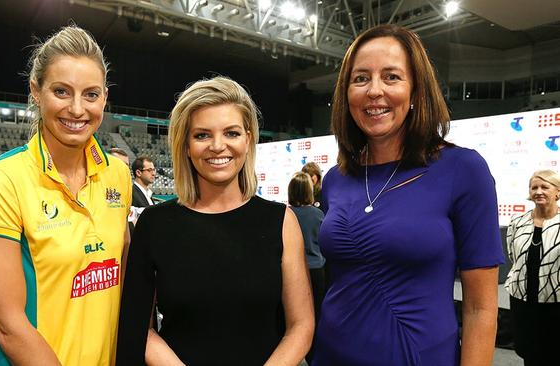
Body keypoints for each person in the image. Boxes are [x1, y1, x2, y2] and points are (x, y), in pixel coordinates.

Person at [312, 24, 504, 366]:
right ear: (346, 94)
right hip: (331, 356)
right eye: (360, 79)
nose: (374, 91)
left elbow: (480, 308)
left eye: (391, 77)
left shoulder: (463, 170)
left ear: (416, 90)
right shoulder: (335, 180)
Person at [0, 26, 132, 366]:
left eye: (90, 94)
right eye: (61, 91)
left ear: (104, 98)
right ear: (36, 92)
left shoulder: (118, 174)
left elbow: (121, 272)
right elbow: (7, 326)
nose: (76, 109)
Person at [117, 76, 314, 365]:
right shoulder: (154, 224)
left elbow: (301, 326)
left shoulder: (281, 221)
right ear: (185, 145)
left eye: (231, 133)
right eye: (202, 135)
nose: (217, 146)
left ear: (248, 139)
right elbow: (139, 328)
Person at [505, 170, 560, 366]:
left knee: (555, 353)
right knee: (529, 351)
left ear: (557, 192)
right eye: (534, 187)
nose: (538, 191)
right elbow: (513, 255)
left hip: (556, 300)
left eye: (545, 187)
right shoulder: (517, 223)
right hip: (523, 300)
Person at [287, 171, 325, 363]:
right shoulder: (318, 215)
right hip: (317, 271)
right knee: (315, 318)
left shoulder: (286, 215)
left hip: (291, 273)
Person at [128, 156, 156, 230]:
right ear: (138, 173)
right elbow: (131, 225)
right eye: (149, 170)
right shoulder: (131, 193)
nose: (153, 173)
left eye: (154, 170)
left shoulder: (148, 194)